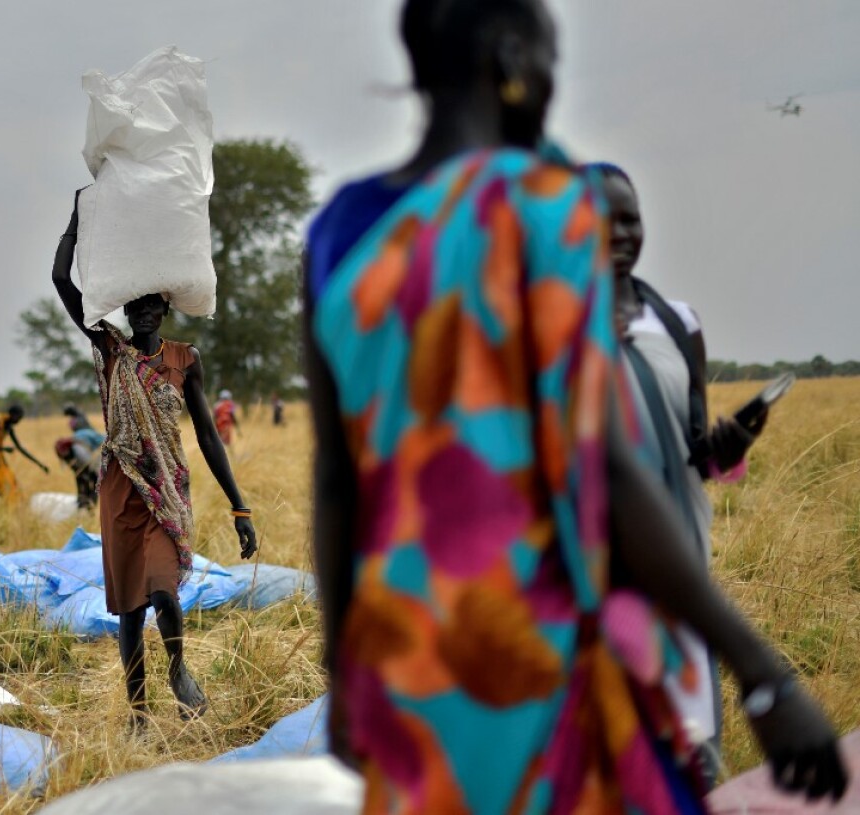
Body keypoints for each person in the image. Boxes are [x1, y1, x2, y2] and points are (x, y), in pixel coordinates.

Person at [304, 0, 846, 811]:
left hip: (410, 667)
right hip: (542, 658)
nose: (553, 84)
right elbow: (610, 469)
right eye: (551, 57)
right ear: (512, 53)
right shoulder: (549, 211)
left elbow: (337, 481)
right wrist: (762, 674)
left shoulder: (337, 233)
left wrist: (344, 670)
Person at [53, 191, 258, 725]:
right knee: (130, 610)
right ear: (124, 310)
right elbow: (61, 281)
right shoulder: (110, 350)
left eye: (152, 305)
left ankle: (178, 667)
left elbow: (210, 436)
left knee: (165, 591)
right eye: (134, 305)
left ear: (164, 308)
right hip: (122, 488)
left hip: (168, 487)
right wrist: (80, 217)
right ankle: (138, 713)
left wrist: (241, 507)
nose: (143, 313)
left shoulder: (185, 359)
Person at [595, 160, 765, 782]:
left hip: (684, 571)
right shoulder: (547, 334)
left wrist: (734, 444)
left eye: (630, 221)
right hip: (597, 585)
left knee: (693, 757)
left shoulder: (678, 323)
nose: (618, 236)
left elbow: (703, 457)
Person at [0, 405, 49, 507]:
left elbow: (20, 448)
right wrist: (3, 449)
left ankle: (8, 510)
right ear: (12, 414)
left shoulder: (8, 426)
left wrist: (40, 464)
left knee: (12, 483)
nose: (19, 421)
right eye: (18, 417)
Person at [55, 435, 100, 509]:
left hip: (92, 467)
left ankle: (91, 506)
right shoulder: (64, 451)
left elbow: (89, 464)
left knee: (93, 486)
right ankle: (82, 504)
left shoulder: (78, 450)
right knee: (82, 485)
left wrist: (86, 475)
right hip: (83, 468)